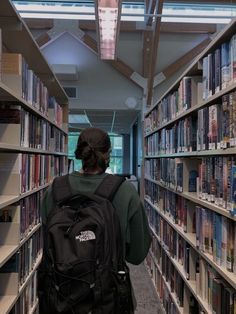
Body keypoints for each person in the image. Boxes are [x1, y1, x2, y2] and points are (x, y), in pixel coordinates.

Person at [41, 127, 152, 312]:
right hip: (107, 298)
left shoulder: (54, 190)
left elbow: (47, 243)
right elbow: (137, 255)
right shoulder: (125, 192)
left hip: (61, 297)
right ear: (108, 155)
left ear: (79, 153)